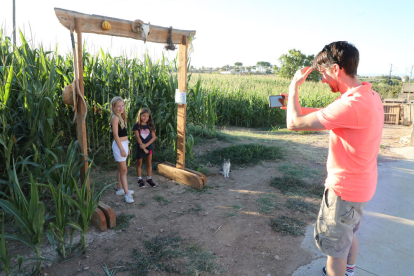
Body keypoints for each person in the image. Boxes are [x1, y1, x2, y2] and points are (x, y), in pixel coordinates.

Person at [282, 41, 384, 276]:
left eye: (323, 74)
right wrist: (293, 106)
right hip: (363, 187)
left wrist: (294, 85)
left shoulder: (350, 105)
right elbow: (328, 115)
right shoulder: (368, 95)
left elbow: (293, 124)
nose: (323, 80)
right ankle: (349, 272)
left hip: (344, 192)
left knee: (335, 253)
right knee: (348, 235)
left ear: (336, 69)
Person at [110, 97, 134, 204]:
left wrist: (127, 147)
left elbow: (124, 134)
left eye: (122, 106)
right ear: (113, 107)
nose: (121, 108)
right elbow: (116, 135)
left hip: (123, 144)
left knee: (120, 169)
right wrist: (121, 149)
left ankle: (119, 189)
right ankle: (127, 193)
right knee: (124, 170)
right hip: (119, 145)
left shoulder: (121, 117)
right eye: (118, 106)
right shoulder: (115, 118)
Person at [133, 108, 157, 188]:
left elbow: (153, 137)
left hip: (149, 148)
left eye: (147, 116)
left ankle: (149, 179)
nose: (145, 118)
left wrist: (146, 146)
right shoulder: (136, 126)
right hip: (140, 147)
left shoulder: (151, 126)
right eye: (143, 116)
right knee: (139, 163)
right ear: (139, 116)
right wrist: (143, 148)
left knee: (149, 163)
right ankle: (139, 179)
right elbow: (137, 138)